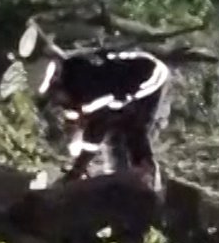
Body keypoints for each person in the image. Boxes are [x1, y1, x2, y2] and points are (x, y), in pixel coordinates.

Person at [32, 47, 172, 186]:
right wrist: (74, 128)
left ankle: (145, 178)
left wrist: (77, 170)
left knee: (133, 128)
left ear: (58, 85)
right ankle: (120, 177)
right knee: (115, 128)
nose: (55, 103)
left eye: (53, 97)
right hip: (118, 78)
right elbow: (76, 115)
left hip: (148, 76)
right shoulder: (68, 70)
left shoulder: (93, 95)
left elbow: (95, 133)